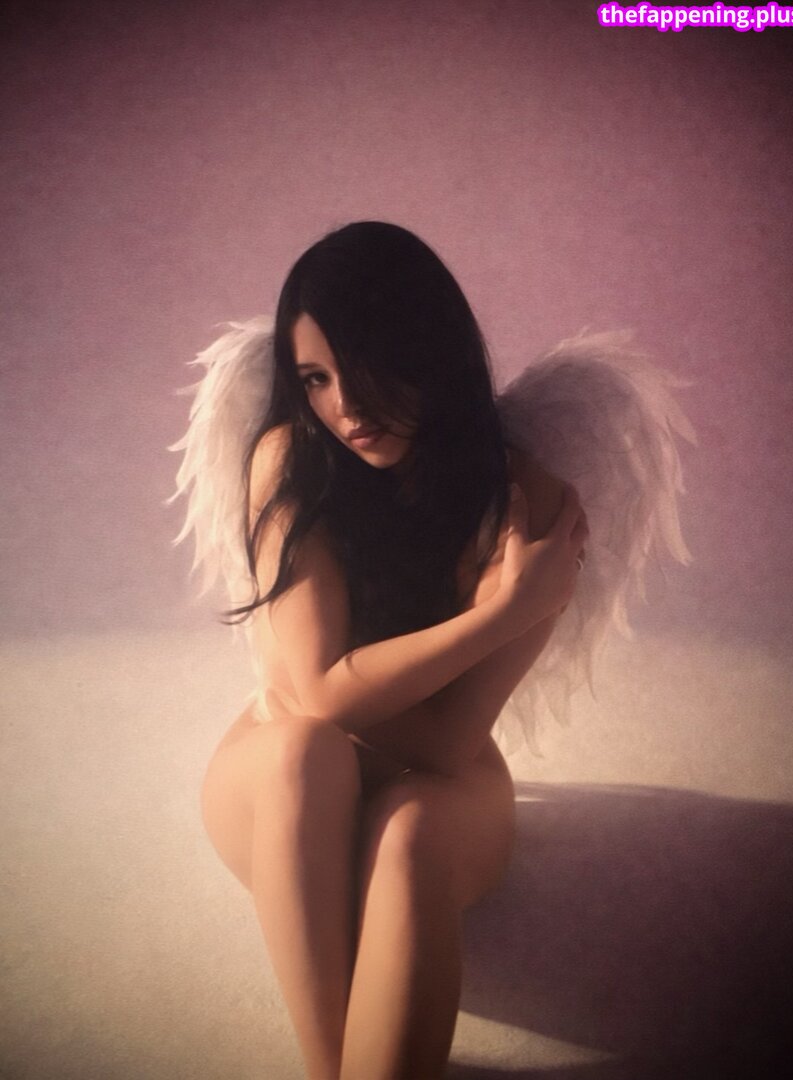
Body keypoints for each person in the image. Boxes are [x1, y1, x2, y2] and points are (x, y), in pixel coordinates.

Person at [170, 221, 691, 1079]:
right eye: (315, 379)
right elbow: (322, 706)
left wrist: (326, 691)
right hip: (280, 794)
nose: (345, 406)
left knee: (406, 824)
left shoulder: (527, 498)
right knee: (304, 751)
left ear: (429, 349)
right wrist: (501, 614)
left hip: (439, 789)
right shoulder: (290, 460)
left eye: (365, 366)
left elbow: (448, 743)